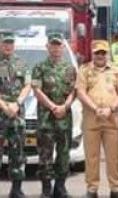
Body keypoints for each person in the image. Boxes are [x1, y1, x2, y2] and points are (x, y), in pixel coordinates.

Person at [0, 30, 31, 198]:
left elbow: (27, 86)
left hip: (17, 115)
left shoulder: (22, 63)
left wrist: (17, 104)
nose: (8, 46)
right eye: (5, 43)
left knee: (18, 153)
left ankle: (16, 189)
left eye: (11, 43)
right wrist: (4, 106)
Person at [76, 40, 118, 198]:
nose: (100, 56)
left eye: (103, 53)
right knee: (91, 156)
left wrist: (110, 109)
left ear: (108, 54)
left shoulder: (117, 70)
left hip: (111, 118)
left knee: (113, 157)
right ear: (92, 53)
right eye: (97, 53)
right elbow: (81, 92)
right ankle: (92, 189)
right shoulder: (84, 70)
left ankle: (116, 188)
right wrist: (96, 108)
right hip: (92, 118)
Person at [32, 31, 77, 198]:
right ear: (47, 47)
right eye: (53, 45)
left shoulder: (70, 68)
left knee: (63, 152)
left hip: (65, 116)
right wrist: (53, 107)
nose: (56, 48)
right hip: (46, 117)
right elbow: (36, 90)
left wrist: (65, 106)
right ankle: (46, 188)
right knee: (45, 153)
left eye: (59, 45)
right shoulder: (40, 67)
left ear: (63, 48)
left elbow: (74, 91)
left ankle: (60, 187)